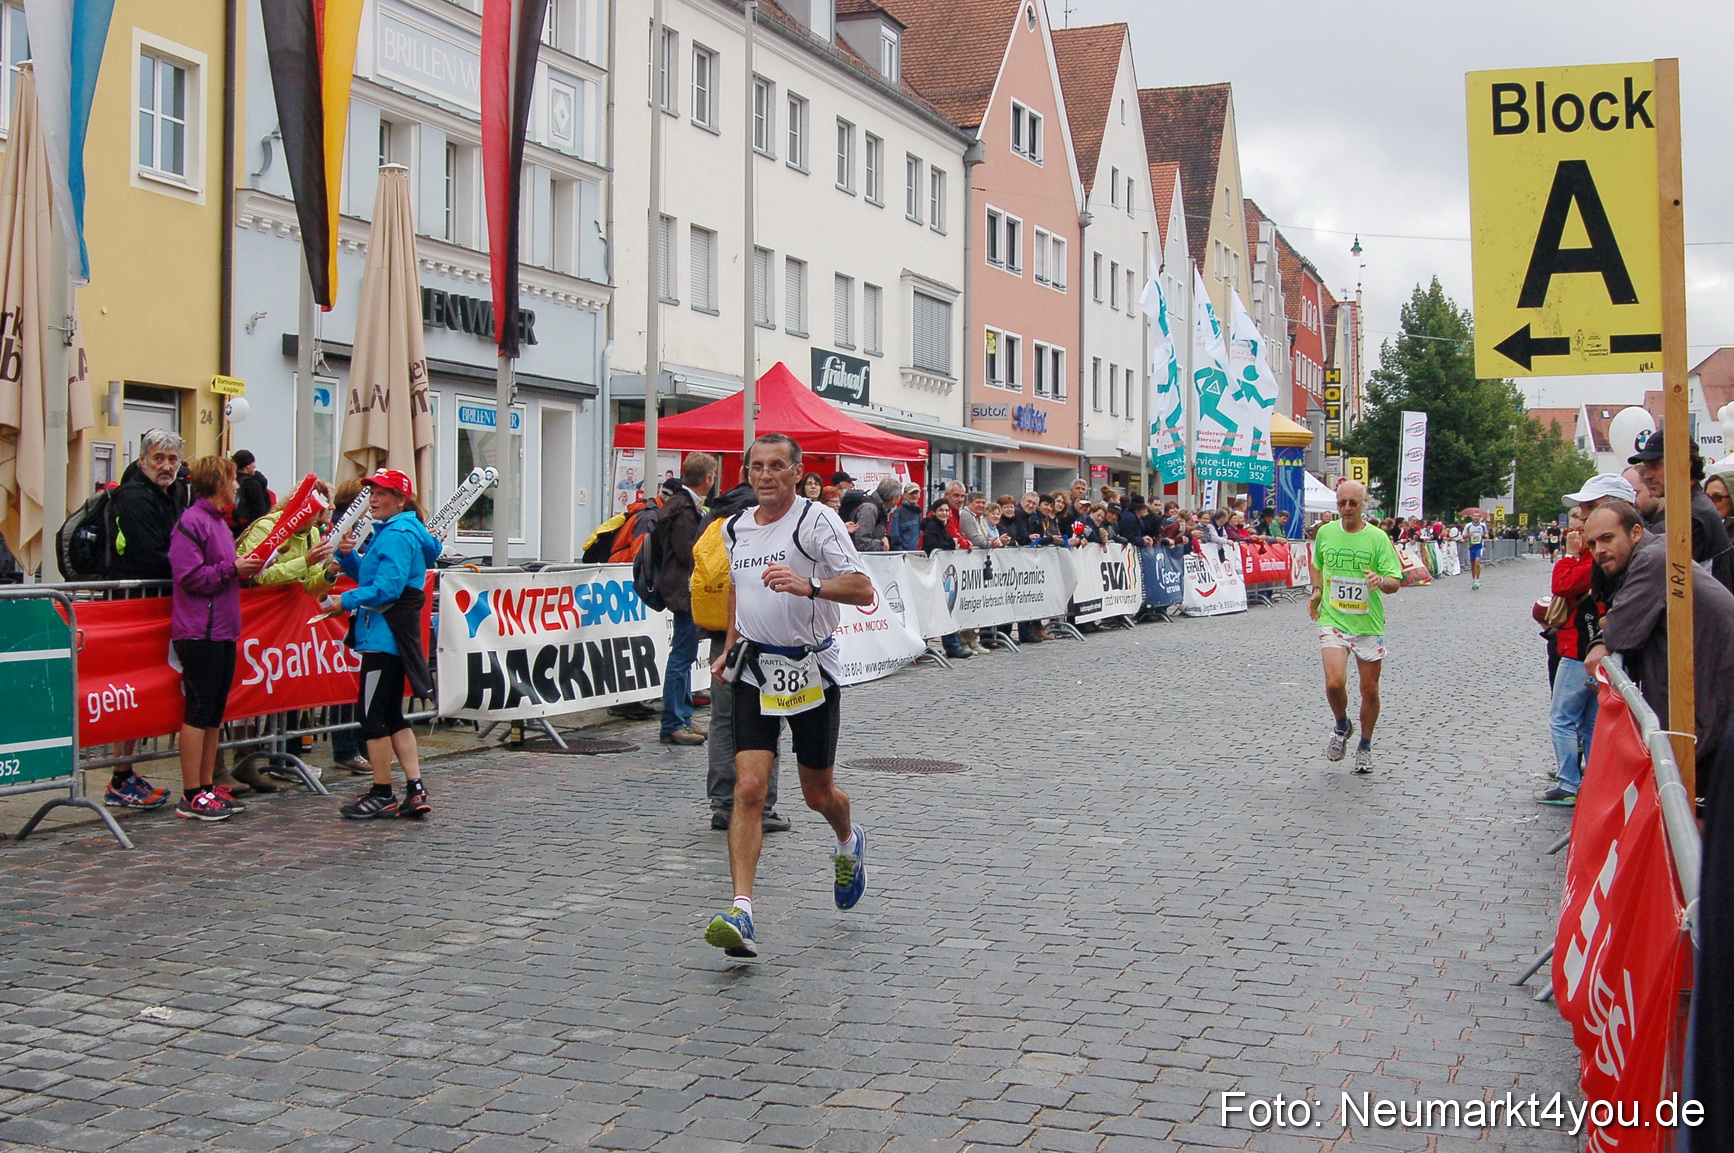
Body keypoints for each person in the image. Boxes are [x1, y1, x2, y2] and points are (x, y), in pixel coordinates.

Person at [703, 433, 875, 959]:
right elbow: (738, 587)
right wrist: (729, 647)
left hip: (810, 670)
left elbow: (863, 587)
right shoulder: (734, 527)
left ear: (797, 472)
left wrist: (810, 586)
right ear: (746, 473)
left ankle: (847, 841)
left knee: (817, 795)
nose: (766, 475)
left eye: (778, 466)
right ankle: (742, 911)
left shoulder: (814, 521)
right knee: (749, 788)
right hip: (756, 670)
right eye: (757, 466)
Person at [1583, 499, 1734, 794]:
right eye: (1592, 544)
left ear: (1636, 533)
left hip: (1708, 701)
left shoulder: (1652, 560)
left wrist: (1605, 629)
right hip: (1707, 695)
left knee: (1692, 806)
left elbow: (1620, 632)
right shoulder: (1656, 553)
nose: (1599, 550)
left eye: (1607, 538)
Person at [321, 469, 442, 820]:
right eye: (372, 492)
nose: (374, 499)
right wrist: (348, 558)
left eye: (383, 493)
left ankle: (382, 791)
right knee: (391, 715)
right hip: (387, 635)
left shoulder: (397, 534)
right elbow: (376, 578)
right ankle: (415, 787)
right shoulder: (396, 531)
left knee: (372, 718)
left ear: (401, 500)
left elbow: (387, 588)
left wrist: (343, 602)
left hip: (383, 637)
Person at [169, 456, 269, 820]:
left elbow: (223, 571)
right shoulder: (192, 522)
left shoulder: (218, 524)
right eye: (233, 480)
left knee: (214, 714)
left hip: (223, 628)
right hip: (198, 630)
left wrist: (246, 569)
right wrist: (232, 569)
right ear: (217, 483)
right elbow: (189, 575)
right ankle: (191, 792)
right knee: (198, 710)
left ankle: (207, 785)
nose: (239, 486)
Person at [100, 429, 188, 812]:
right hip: (131, 608)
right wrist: (193, 566)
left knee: (145, 688)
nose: (166, 466)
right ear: (143, 460)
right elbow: (152, 553)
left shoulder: (169, 495)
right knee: (129, 687)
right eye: (159, 458)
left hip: (153, 605)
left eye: (172, 459)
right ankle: (120, 775)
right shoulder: (135, 498)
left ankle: (126, 771)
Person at [699, 470, 788, 834]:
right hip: (766, 631)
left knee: (723, 719)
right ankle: (761, 805)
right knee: (770, 719)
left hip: (724, 633)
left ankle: (722, 804)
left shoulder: (717, 513)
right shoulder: (768, 515)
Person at [1309, 479, 1404, 774]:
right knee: (1334, 683)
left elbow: (1395, 582)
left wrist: (1380, 581)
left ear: (1364, 504)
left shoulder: (1377, 538)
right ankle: (1341, 725)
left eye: (1353, 503)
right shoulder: (1325, 532)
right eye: (1342, 503)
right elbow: (1317, 563)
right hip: (1333, 619)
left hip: (1367, 624)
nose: (1347, 508)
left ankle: (1365, 745)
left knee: (1369, 690)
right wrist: (1316, 591)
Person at [1535, 504, 1600, 807]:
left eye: (1579, 530)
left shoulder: (1588, 562)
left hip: (1578, 650)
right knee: (1587, 722)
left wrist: (1570, 556)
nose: (1573, 535)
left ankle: (1568, 782)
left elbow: (1561, 586)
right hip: (1583, 648)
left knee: (1561, 718)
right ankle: (1589, 777)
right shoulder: (1592, 561)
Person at [654, 452, 717, 747]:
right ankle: (673, 722)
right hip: (684, 590)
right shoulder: (684, 509)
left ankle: (683, 718)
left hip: (681, 589)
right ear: (707, 479)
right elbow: (688, 552)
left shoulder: (681, 504)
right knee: (681, 656)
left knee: (685, 655)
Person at [1627, 425, 1734, 593]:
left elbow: (1660, 582)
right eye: (1646, 466)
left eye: (1655, 465)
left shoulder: (1692, 515)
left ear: (1685, 463)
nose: (1647, 475)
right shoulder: (1689, 507)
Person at [230, 449, 273, 537]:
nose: (255, 466)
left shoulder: (231, 480)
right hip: (248, 530)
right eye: (253, 463)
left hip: (230, 528)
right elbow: (261, 512)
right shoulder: (252, 484)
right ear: (247, 466)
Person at [849, 477, 897, 552]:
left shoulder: (879, 508)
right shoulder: (869, 509)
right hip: (863, 559)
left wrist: (884, 537)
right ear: (894, 498)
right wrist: (881, 545)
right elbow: (862, 542)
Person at [888, 482, 923, 550]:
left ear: (919, 495)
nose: (914, 495)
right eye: (911, 493)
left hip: (915, 555)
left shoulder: (918, 513)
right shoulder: (898, 513)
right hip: (904, 556)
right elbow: (894, 537)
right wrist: (903, 554)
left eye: (916, 493)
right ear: (904, 495)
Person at [1463, 514, 1488, 588]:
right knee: (1473, 565)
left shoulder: (1483, 525)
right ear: (1472, 517)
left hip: (1479, 546)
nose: (1476, 518)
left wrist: (1486, 535)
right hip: (1471, 547)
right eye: (1474, 516)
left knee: (1477, 563)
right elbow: (1463, 536)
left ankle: (1477, 581)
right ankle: (1474, 580)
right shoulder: (1468, 526)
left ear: (1480, 517)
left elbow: (1486, 534)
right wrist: (1468, 535)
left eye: (1477, 516)